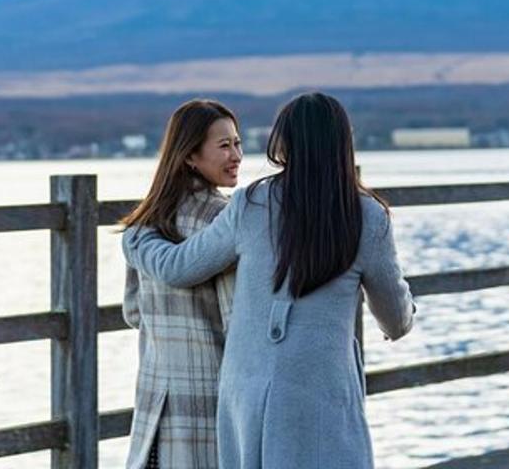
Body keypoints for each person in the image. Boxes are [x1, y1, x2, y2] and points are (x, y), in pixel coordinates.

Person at [123, 91, 414, 469]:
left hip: (247, 390)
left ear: (283, 143)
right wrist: (404, 314)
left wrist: (137, 238)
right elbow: (395, 317)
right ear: (344, 143)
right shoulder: (367, 215)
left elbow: (179, 267)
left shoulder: (250, 204)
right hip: (322, 386)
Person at [118, 98, 243, 469]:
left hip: (158, 396)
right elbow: (238, 321)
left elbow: (133, 312)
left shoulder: (147, 222)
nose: (236, 155)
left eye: (237, 143)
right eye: (224, 146)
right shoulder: (227, 221)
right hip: (214, 401)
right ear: (190, 156)